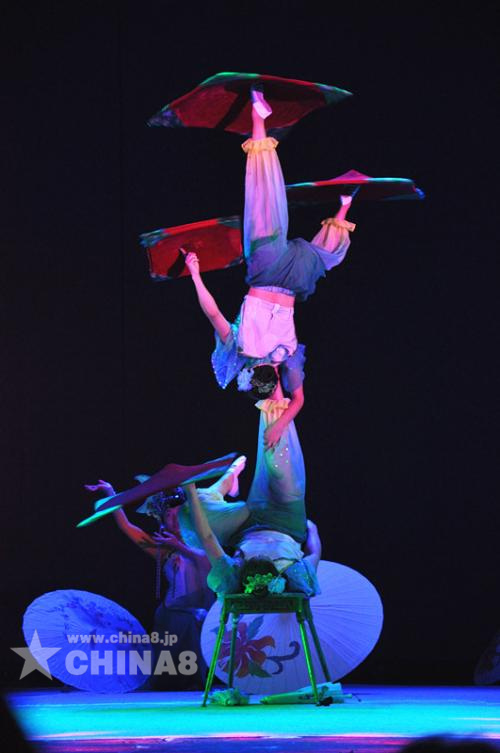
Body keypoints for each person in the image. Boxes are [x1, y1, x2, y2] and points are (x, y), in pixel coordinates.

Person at [184, 87, 355, 411]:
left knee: (324, 259)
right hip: (268, 271)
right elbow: (213, 312)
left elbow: (284, 393)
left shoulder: (284, 355)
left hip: (296, 280)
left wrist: (275, 395)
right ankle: (259, 120)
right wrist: (194, 273)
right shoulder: (241, 349)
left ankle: (345, 204)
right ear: (247, 373)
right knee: (262, 204)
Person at [84, 455, 247, 688]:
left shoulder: (204, 539)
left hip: (204, 612)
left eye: (178, 515)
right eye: (169, 517)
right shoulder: (163, 549)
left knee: (215, 492)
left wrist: (181, 546)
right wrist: (111, 493)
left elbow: (208, 563)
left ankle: (234, 472)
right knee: (187, 629)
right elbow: (127, 526)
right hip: (176, 615)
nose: (175, 520)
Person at [180, 374, 322, 598]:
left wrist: (190, 489)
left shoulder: (232, 577)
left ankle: (228, 479)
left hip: (245, 524)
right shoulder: (295, 578)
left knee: (189, 511)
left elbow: (206, 536)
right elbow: (314, 554)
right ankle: (271, 377)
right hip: (286, 520)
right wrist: (312, 530)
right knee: (279, 464)